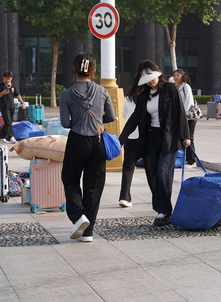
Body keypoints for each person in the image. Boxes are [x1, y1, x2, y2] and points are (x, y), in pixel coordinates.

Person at [119, 60, 191, 226]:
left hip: (169, 138)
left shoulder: (170, 88)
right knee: (153, 175)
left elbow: (180, 112)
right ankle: (161, 209)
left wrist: (186, 136)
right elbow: (135, 118)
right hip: (151, 138)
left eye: (152, 76)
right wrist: (121, 139)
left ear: (158, 74)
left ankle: (165, 212)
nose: (151, 81)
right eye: (147, 78)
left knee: (163, 173)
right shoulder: (143, 95)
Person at [59, 53, 116, 242]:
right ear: (93, 71)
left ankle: (78, 216)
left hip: (77, 140)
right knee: (93, 186)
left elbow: (65, 123)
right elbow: (110, 116)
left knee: (70, 178)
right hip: (98, 141)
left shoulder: (67, 94)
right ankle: (88, 231)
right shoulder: (102, 91)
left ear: (74, 69)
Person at [117, 67, 149, 208]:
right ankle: (157, 198)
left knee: (128, 168)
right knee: (151, 170)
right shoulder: (149, 97)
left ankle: (124, 197)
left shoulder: (127, 99)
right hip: (147, 138)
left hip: (131, 137)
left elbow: (124, 117)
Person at [172, 68, 197, 166]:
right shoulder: (175, 87)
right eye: (174, 75)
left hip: (189, 116)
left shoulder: (186, 87)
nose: (175, 77)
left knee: (189, 137)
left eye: (177, 75)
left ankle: (192, 160)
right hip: (181, 116)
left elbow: (189, 102)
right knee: (182, 137)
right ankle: (185, 158)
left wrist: (182, 114)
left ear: (183, 77)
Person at [0, 70, 26, 144]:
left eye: (9, 78)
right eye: (6, 78)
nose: (7, 80)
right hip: (4, 106)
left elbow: (18, 95)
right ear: (3, 78)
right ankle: (11, 137)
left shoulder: (13, 85)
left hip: (11, 106)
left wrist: (22, 103)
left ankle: (1, 137)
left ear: (11, 78)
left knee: (9, 122)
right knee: (7, 121)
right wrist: (3, 93)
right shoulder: (1, 85)